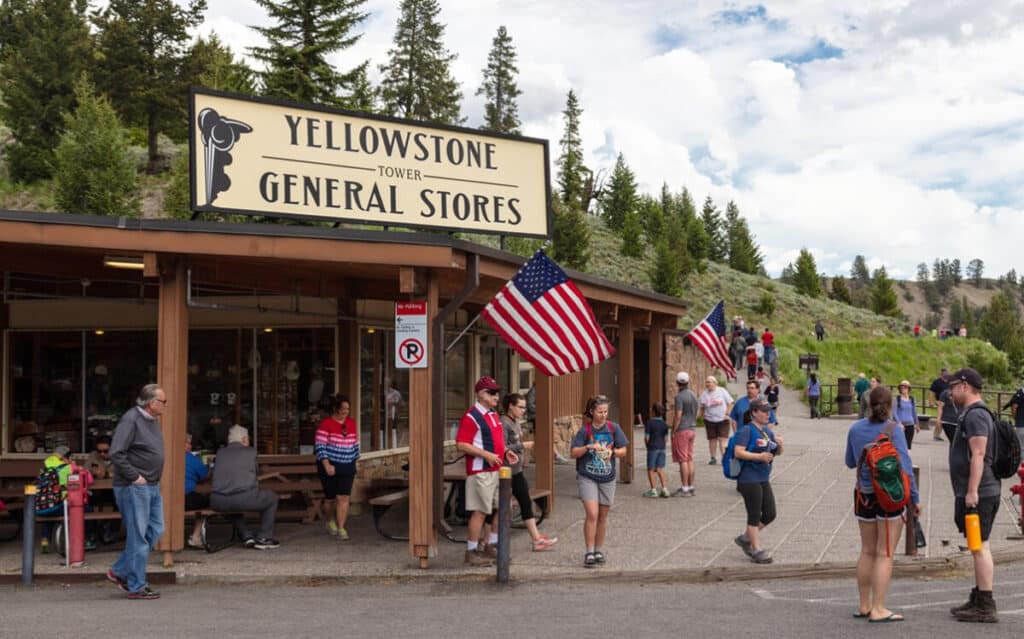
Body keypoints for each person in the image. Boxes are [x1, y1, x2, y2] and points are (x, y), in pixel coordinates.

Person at [845, 385, 920, 623]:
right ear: (890, 406)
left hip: (864, 495)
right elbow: (905, 468)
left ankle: (864, 604)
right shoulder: (894, 430)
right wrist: (915, 499)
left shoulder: (855, 429)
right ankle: (879, 608)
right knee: (884, 553)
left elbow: (849, 461)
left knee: (866, 550)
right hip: (889, 498)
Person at [946, 368, 1001, 622]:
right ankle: (979, 596)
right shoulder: (972, 413)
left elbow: (978, 454)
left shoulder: (976, 415)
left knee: (981, 547)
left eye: (953, 386)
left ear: (965, 386)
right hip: (980, 491)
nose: (950, 391)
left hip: (981, 492)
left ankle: (985, 604)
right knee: (977, 544)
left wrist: (971, 491)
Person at [107, 384, 166, 600]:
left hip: (151, 485)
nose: (165, 406)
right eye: (163, 401)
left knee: (156, 529)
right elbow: (116, 452)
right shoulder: (131, 420)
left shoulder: (152, 421)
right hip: (135, 486)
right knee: (139, 536)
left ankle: (120, 571)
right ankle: (136, 585)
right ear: (152, 403)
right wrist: (134, 476)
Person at [455, 376, 518, 567]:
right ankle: (472, 551)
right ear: (481, 394)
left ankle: (492, 545)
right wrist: (487, 455)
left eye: (497, 392)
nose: (496, 396)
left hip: (496, 468)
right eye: (492, 393)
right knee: (481, 511)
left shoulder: (491, 414)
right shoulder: (471, 416)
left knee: (501, 506)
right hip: (480, 470)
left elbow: (495, 442)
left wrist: (506, 452)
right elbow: (461, 444)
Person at [570, 395, 628, 568]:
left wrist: (613, 453)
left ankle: (598, 550)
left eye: (605, 412)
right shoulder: (585, 431)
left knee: (602, 517)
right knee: (592, 514)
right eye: (600, 412)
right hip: (587, 476)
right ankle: (588, 551)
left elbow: (624, 450)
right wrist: (588, 447)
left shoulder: (613, 428)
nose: (603, 415)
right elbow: (573, 453)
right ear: (591, 412)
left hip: (607, 478)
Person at [498, 393, 557, 551]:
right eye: (521, 407)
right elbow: (501, 447)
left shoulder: (514, 422)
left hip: (516, 470)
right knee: (500, 508)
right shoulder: (504, 423)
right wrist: (522, 446)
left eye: (524, 407)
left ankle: (536, 539)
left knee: (524, 501)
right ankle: (492, 542)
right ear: (511, 406)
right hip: (505, 471)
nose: (524, 410)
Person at [210, 425, 281, 550]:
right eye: (248, 438)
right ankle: (264, 537)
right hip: (244, 497)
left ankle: (246, 534)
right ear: (243, 439)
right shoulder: (251, 451)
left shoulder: (220, 453)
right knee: (272, 498)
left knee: (230, 504)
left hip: (217, 501)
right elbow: (256, 472)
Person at [732, 399, 782, 564]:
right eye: (764, 411)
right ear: (754, 412)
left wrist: (780, 445)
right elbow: (738, 452)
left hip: (763, 477)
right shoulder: (746, 430)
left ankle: (746, 538)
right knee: (754, 514)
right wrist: (759, 457)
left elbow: (776, 452)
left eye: (769, 411)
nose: (768, 414)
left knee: (770, 513)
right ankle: (756, 549)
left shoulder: (767, 431)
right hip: (748, 478)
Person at [315, 394, 360, 541]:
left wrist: (356, 461)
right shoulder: (325, 424)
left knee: (344, 497)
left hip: (348, 464)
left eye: (348, 409)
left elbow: (355, 443)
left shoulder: (352, 423)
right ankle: (329, 521)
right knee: (330, 499)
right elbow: (320, 447)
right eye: (343, 409)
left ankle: (341, 528)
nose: (346, 411)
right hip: (330, 465)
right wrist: (327, 465)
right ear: (336, 408)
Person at [671, 372, 699, 497]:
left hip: (682, 429)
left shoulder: (679, 397)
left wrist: (673, 430)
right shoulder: (693, 395)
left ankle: (685, 488)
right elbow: (697, 412)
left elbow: (678, 415)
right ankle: (691, 486)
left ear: (677, 383)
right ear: (688, 382)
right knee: (689, 458)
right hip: (692, 428)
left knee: (682, 460)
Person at [697, 376, 733, 465]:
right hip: (709, 420)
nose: (708, 384)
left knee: (722, 439)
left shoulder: (721, 391)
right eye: (707, 382)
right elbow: (701, 407)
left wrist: (727, 414)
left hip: (722, 420)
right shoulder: (704, 394)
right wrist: (699, 417)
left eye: (710, 382)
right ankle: (713, 458)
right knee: (712, 439)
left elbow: (730, 402)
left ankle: (724, 458)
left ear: (715, 383)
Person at [184, 433, 210, 549]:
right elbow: (205, 475)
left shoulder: (164, 456)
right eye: (188, 442)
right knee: (207, 503)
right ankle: (196, 536)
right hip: (187, 498)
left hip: (165, 499)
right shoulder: (192, 459)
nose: (190, 445)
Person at [643, 403, 670, 498]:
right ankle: (665, 489)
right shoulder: (664, 424)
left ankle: (653, 490)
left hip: (652, 447)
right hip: (662, 448)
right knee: (659, 469)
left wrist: (647, 446)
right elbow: (666, 439)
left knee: (650, 469)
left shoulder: (649, 423)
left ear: (653, 412)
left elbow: (646, 437)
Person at [892, 381, 919, 449]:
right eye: (902, 387)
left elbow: (914, 412)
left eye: (905, 387)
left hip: (910, 425)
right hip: (900, 426)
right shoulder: (897, 399)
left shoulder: (911, 399)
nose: (904, 388)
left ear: (909, 389)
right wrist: (899, 423)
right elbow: (894, 412)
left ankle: (907, 458)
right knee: (899, 445)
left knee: (908, 445)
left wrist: (917, 424)